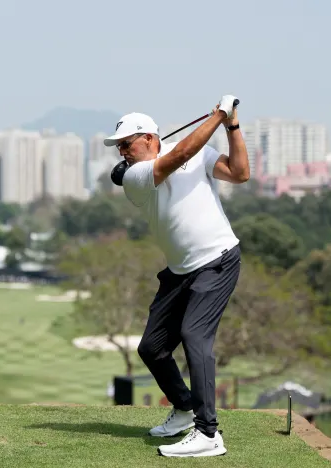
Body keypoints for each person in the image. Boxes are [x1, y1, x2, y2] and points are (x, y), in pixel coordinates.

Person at [102, 95, 248, 457]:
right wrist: (219, 113)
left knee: (194, 335)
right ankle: (184, 409)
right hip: (180, 271)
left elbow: (240, 173)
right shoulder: (136, 176)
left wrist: (231, 125)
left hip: (217, 259)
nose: (122, 152)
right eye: (118, 147)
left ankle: (208, 433)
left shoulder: (195, 152)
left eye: (126, 144)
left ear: (149, 138)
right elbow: (180, 154)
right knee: (151, 347)